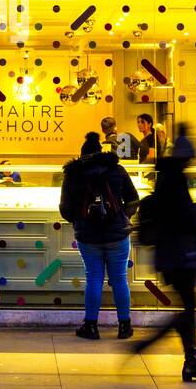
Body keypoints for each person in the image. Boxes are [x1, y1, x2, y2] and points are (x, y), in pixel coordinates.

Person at [134, 129, 196, 382]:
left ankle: (190, 361)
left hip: (172, 254)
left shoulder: (167, 177)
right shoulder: (175, 180)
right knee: (189, 307)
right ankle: (171, 351)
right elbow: (180, 218)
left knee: (189, 306)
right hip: (179, 254)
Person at [59, 131, 139, 339]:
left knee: (93, 279)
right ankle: (124, 326)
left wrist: (79, 220)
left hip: (88, 236)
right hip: (118, 234)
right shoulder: (117, 170)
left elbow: (65, 209)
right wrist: (123, 217)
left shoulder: (73, 174)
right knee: (120, 279)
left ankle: (91, 326)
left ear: (82, 155)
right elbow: (133, 200)